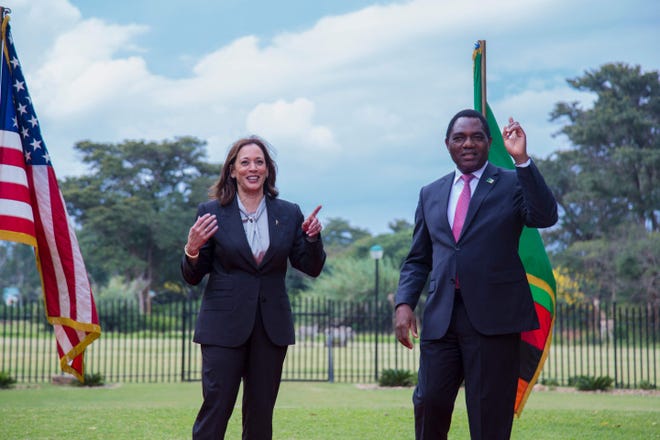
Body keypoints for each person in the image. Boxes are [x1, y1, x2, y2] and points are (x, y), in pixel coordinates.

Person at [394, 109, 558, 440]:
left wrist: (522, 161)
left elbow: (544, 215)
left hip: (495, 320)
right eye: (459, 138)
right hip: (441, 319)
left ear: (489, 142)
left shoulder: (512, 182)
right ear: (447, 144)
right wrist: (404, 303)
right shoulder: (431, 193)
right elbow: (417, 259)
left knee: (489, 415)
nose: (468, 144)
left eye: (476, 137)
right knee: (428, 402)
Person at [181, 136, 326, 439]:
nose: (253, 168)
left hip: (270, 327)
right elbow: (193, 275)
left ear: (268, 169)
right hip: (222, 327)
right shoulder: (211, 212)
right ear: (232, 170)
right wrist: (192, 249)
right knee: (217, 406)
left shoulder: (288, 213)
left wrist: (312, 239)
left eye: (259, 162)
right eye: (244, 162)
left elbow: (310, 266)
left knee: (261, 412)